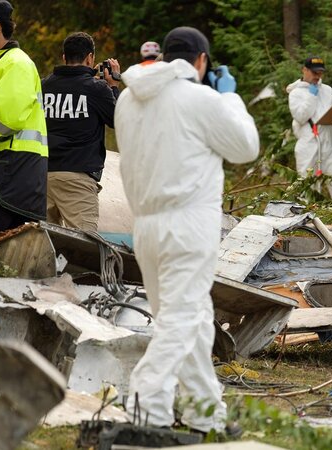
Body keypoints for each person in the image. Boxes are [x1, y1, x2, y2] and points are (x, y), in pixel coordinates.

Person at [115, 26, 259, 434]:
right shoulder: (201, 99)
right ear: (201, 60)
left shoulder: (127, 98)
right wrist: (228, 96)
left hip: (145, 225)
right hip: (188, 223)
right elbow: (245, 147)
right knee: (180, 318)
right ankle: (146, 405)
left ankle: (204, 412)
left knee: (191, 316)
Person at [42, 32, 120, 232]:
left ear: (63, 58)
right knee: (88, 246)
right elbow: (118, 121)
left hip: (42, 176)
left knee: (43, 245)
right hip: (78, 178)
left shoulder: (43, 86)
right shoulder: (97, 88)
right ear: (90, 58)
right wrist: (113, 87)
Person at [0, 0, 48, 239]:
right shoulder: (0, 63)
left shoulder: (17, 63)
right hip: (7, 174)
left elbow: (4, 117)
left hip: (13, 174)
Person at [286, 55, 332, 204]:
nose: (317, 76)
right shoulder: (296, 93)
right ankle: (307, 221)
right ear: (305, 70)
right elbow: (300, 116)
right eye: (314, 73)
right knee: (308, 185)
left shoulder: (328, 90)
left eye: (320, 73)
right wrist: (311, 97)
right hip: (309, 145)